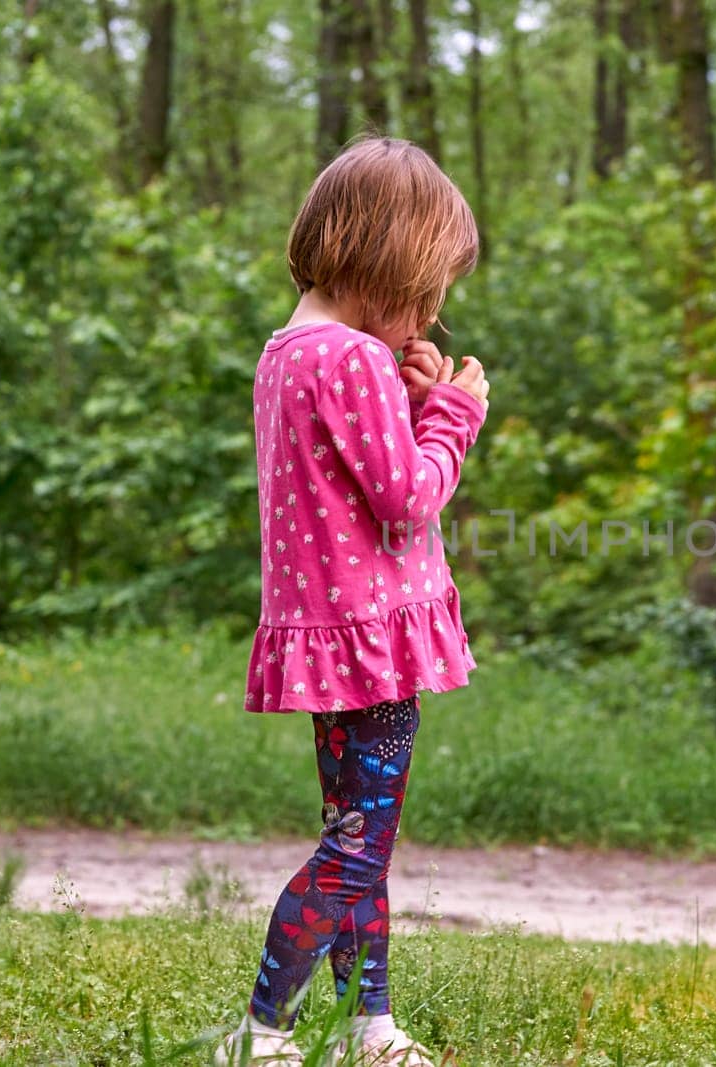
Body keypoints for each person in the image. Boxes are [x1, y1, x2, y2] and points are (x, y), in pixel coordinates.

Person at [216, 135, 490, 1067]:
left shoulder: (289, 352)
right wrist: (453, 416)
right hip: (376, 643)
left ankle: (364, 1023)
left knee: (357, 837)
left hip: (329, 634)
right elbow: (409, 501)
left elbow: (352, 481)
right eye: (424, 295)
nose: (425, 322)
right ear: (386, 262)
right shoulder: (357, 362)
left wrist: (409, 410)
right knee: (357, 849)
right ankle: (260, 1029)